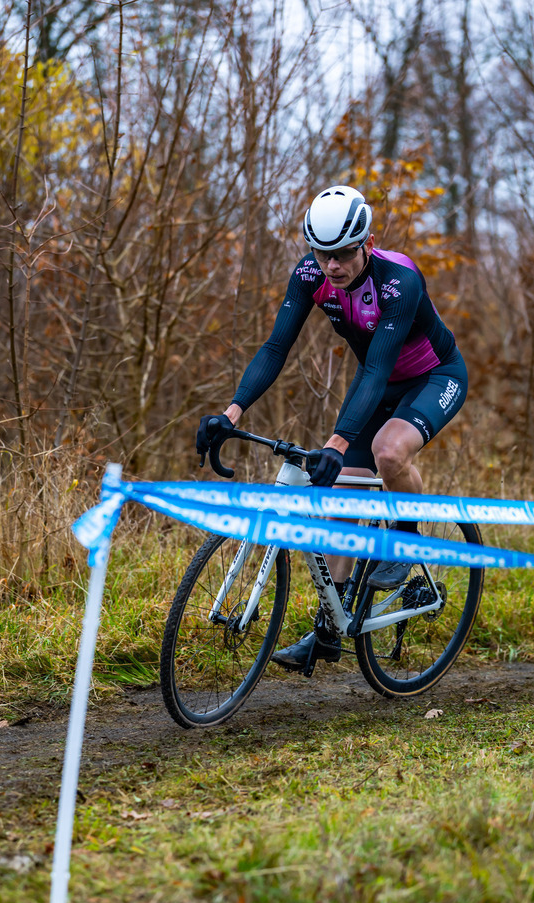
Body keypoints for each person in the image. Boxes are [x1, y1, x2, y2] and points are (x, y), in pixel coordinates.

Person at [196, 184, 467, 672]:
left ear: (365, 242)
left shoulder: (399, 281)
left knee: (388, 452)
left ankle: (406, 539)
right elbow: (276, 348)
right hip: (377, 383)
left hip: (434, 376)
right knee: (342, 496)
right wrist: (230, 414)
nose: (332, 266)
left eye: (342, 254)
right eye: (322, 255)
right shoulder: (309, 276)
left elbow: (379, 367)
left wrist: (337, 442)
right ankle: (328, 630)